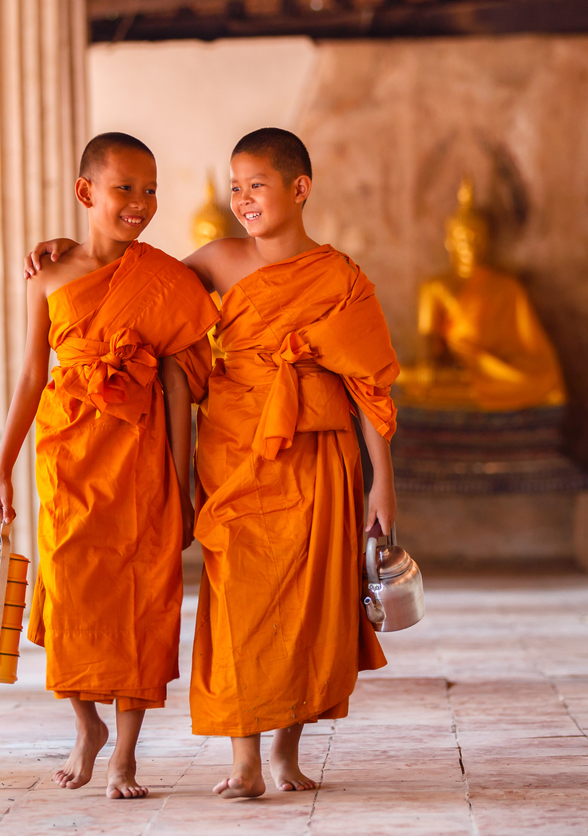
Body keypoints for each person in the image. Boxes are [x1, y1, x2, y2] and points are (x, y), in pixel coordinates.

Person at [26, 126, 399, 800]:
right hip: (232, 451)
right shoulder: (218, 260)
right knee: (237, 602)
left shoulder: (341, 278)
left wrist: (384, 489)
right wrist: (65, 246)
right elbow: (129, 277)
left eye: (256, 185)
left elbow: (369, 386)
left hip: (318, 450)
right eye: (236, 188)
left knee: (311, 605)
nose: (244, 199)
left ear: (299, 188)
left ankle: (285, 752)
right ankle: (245, 758)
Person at [0, 132, 219, 800]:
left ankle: (124, 754)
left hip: (141, 457)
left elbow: (179, 387)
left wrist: (182, 481)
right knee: (69, 595)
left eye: (150, 190)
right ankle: (85, 725)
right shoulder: (50, 274)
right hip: (67, 460)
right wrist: (1, 468)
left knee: (142, 601)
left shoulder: (166, 280)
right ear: (87, 193)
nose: (140, 203)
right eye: (125, 188)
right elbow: (33, 374)